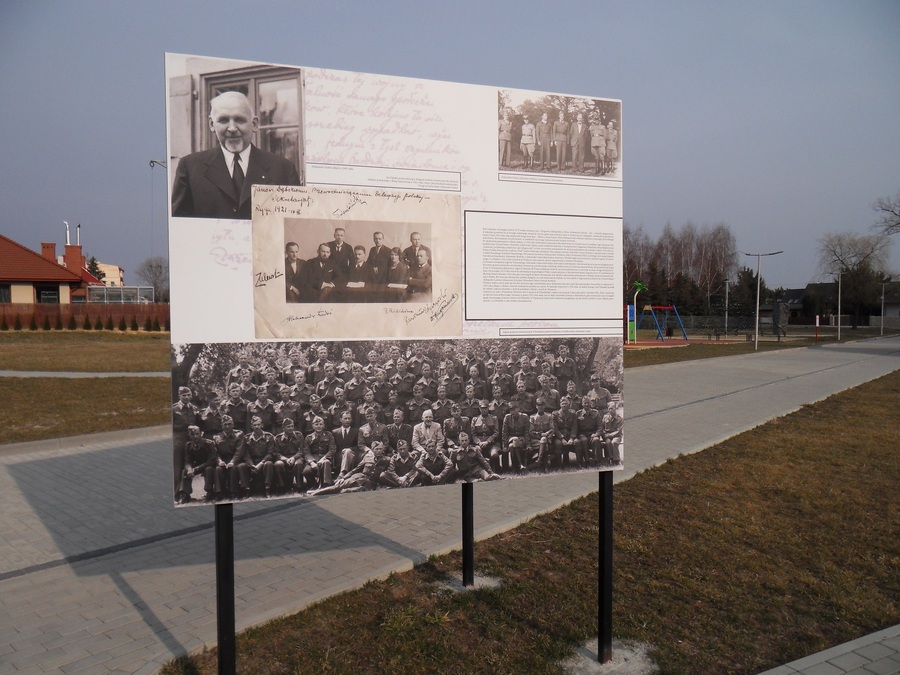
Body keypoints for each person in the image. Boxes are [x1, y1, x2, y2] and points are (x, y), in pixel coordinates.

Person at [171, 91, 301, 219]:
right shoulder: (190, 168)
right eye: (223, 120)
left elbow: (294, 226)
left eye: (240, 120)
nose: (232, 128)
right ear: (212, 124)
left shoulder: (283, 169)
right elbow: (180, 227)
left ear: (254, 124)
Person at [177, 425, 218, 503]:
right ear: (189, 435)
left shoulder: (209, 443)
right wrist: (189, 469)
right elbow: (187, 461)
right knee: (185, 471)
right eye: (192, 434)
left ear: (201, 434)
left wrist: (196, 469)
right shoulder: (188, 445)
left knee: (208, 470)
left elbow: (211, 460)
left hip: (208, 465)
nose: (195, 436)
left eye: (197, 434)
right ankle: (185, 494)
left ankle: (209, 493)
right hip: (197, 465)